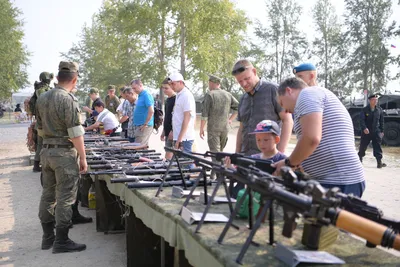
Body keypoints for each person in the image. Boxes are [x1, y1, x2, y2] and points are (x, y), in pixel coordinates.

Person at [272, 77, 365, 197]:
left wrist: (288, 163)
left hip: (338, 181)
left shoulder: (307, 94)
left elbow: (311, 139)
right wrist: (299, 161)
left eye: (282, 103)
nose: (285, 110)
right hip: (337, 180)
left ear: (289, 91)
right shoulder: (314, 95)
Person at [36, 61, 87, 253]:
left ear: (57, 78)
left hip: (46, 152)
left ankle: (47, 238)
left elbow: (39, 129)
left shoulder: (42, 98)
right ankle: (62, 241)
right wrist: (83, 157)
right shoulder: (68, 99)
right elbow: (75, 133)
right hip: (64, 153)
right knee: (66, 197)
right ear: (74, 80)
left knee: (48, 195)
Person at [232, 59, 293, 156]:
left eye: (247, 78)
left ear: (254, 71)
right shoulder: (243, 99)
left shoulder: (273, 90)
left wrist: (279, 154)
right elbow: (241, 128)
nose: (244, 84)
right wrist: (236, 154)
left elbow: (287, 121)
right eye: (240, 81)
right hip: (246, 157)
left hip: (268, 158)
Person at [200, 74, 239, 178]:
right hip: (225, 128)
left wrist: (201, 128)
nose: (208, 84)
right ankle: (214, 174)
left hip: (213, 128)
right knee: (219, 152)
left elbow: (204, 114)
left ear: (212, 83)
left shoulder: (210, 95)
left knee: (215, 154)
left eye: (209, 82)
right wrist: (230, 120)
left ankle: (220, 177)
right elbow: (238, 107)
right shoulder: (228, 94)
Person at [168, 72, 196, 153]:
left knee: (186, 163)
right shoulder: (179, 95)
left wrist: (179, 139)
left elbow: (187, 119)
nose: (171, 86)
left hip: (184, 138)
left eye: (173, 84)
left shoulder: (186, 95)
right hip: (179, 136)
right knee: (180, 163)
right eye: (170, 84)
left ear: (180, 82)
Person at [32, 71, 54, 172]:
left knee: (42, 143)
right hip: (43, 122)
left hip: (45, 121)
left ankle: (39, 164)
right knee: (41, 144)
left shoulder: (43, 89)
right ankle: (37, 165)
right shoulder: (41, 90)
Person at [358, 93, 387, 168]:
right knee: (363, 146)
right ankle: (359, 160)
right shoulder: (364, 110)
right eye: (374, 100)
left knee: (377, 146)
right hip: (366, 131)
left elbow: (381, 121)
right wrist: (364, 128)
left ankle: (379, 162)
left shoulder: (379, 109)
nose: (375, 101)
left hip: (376, 131)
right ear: (370, 101)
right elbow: (361, 120)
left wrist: (382, 131)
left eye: (376, 100)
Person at [131, 79, 154, 145]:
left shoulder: (146, 95)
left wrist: (145, 124)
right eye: (132, 88)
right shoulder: (140, 95)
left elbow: (151, 111)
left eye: (134, 88)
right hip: (140, 125)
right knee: (139, 146)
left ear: (140, 85)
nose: (133, 90)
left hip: (144, 126)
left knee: (140, 147)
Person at [159, 79, 176, 159]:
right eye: (163, 88)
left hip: (173, 132)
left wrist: (173, 130)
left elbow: (176, 117)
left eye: (166, 88)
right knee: (167, 152)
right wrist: (164, 131)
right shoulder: (167, 100)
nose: (164, 90)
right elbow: (167, 117)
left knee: (169, 155)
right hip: (167, 130)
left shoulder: (175, 99)